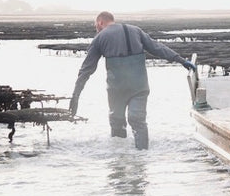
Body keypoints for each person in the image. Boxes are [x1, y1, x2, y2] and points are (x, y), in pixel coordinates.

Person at [69, 11, 196, 149]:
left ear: (100, 22)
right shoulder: (136, 30)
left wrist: (75, 95)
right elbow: (158, 48)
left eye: (96, 25)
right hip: (139, 87)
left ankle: (119, 161)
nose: (96, 28)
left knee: (117, 122)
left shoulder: (100, 38)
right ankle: (142, 161)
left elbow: (86, 70)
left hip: (117, 90)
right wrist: (181, 60)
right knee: (138, 120)